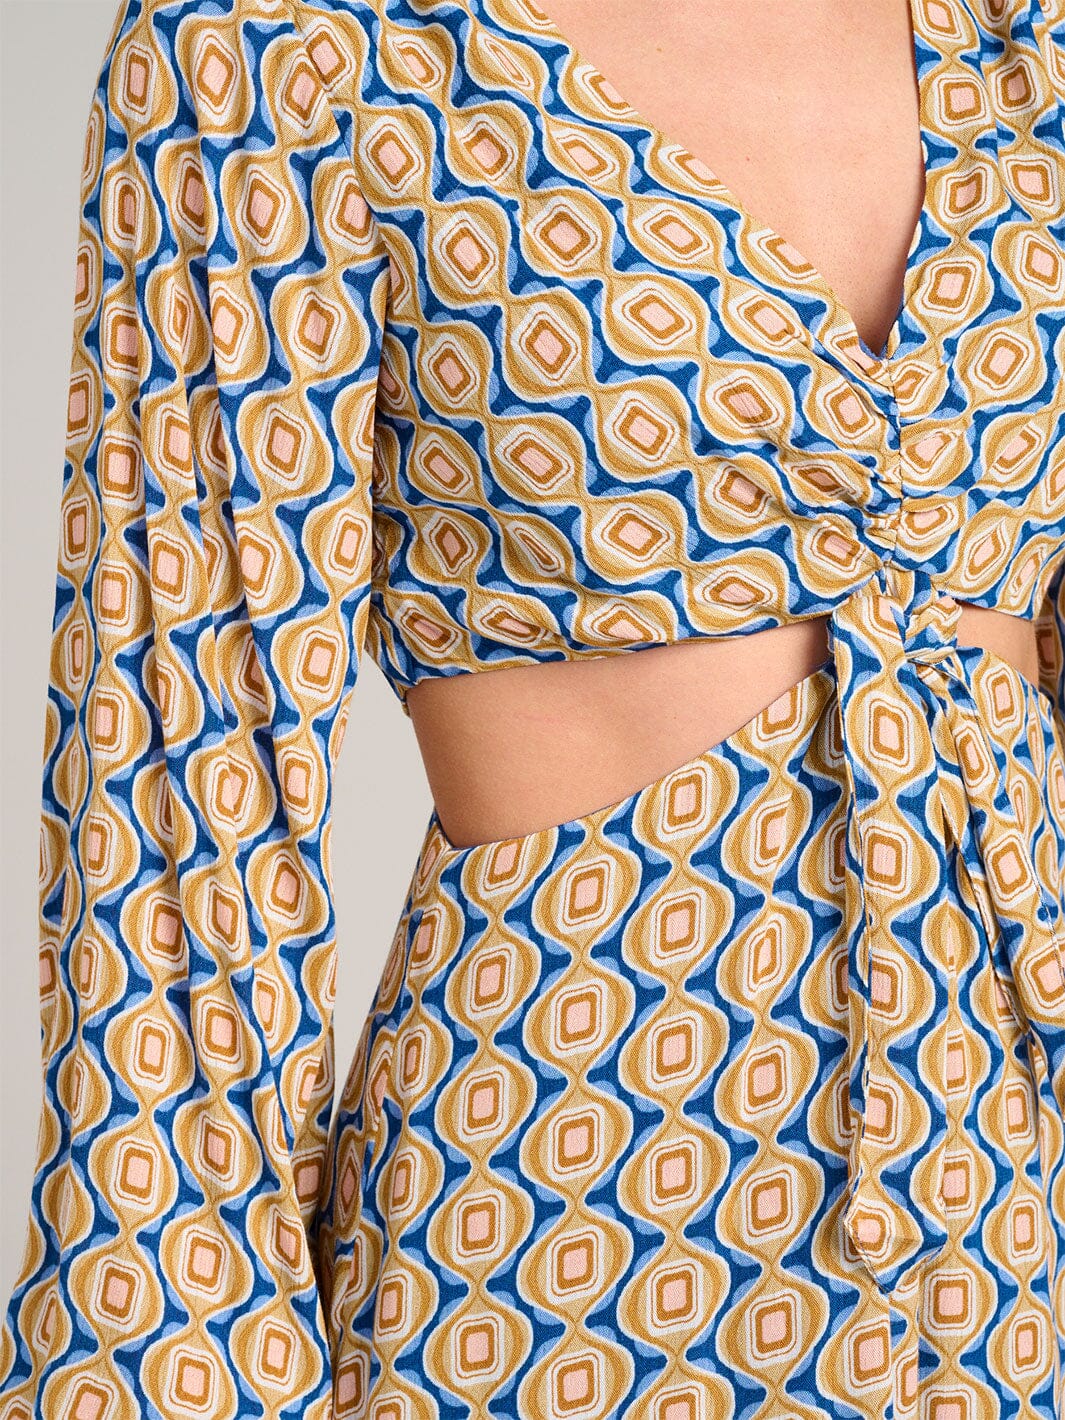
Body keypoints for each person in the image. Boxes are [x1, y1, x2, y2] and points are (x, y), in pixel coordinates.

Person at [2, 0, 1065, 1413]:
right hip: (567, 1224)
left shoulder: (1027, 41)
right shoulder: (285, 41)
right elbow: (182, 804)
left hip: (1020, 1199)